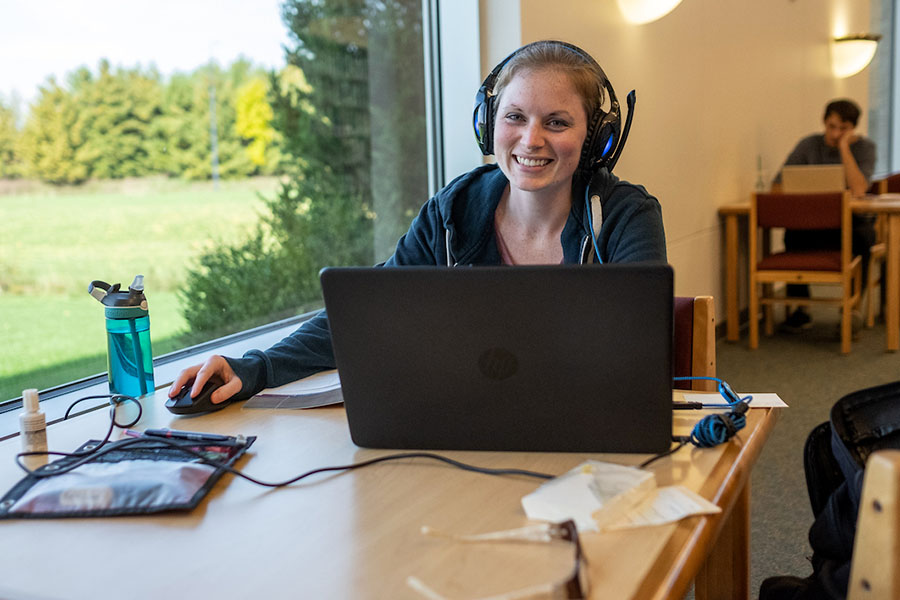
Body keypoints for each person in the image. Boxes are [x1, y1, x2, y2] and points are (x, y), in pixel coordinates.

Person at [168, 40, 667, 406]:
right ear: (487, 124)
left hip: (583, 433)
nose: (530, 139)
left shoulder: (624, 217)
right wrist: (254, 367)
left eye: (556, 122)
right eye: (514, 117)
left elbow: (637, 354)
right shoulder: (453, 212)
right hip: (464, 427)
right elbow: (367, 310)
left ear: (598, 139)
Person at [772, 98, 877, 333]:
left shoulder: (865, 148)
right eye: (832, 126)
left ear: (853, 129)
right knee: (792, 237)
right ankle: (802, 308)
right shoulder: (808, 145)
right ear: (824, 122)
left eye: (843, 128)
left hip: (851, 224)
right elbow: (778, 185)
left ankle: (852, 308)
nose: (836, 133)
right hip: (813, 225)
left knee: (864, 237)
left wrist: (844, 149)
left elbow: (859, 189)